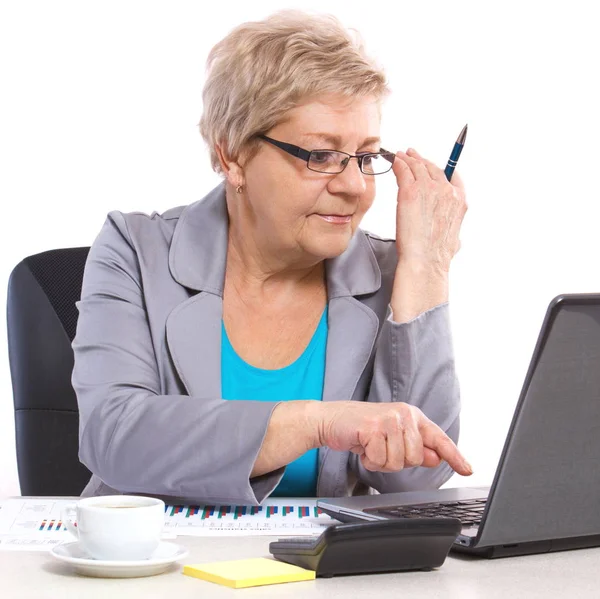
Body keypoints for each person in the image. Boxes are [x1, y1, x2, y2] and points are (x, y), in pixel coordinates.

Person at [72, 9, 471, 505]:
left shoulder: (390, 272)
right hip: (159, 571)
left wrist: (426, 266)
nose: (353, 187)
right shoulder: (134, 250)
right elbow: (115, 437)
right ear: (233, 155)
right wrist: (316, 422)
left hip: (312, 578)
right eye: (320, 156)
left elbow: (414, 478)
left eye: (366, 157)